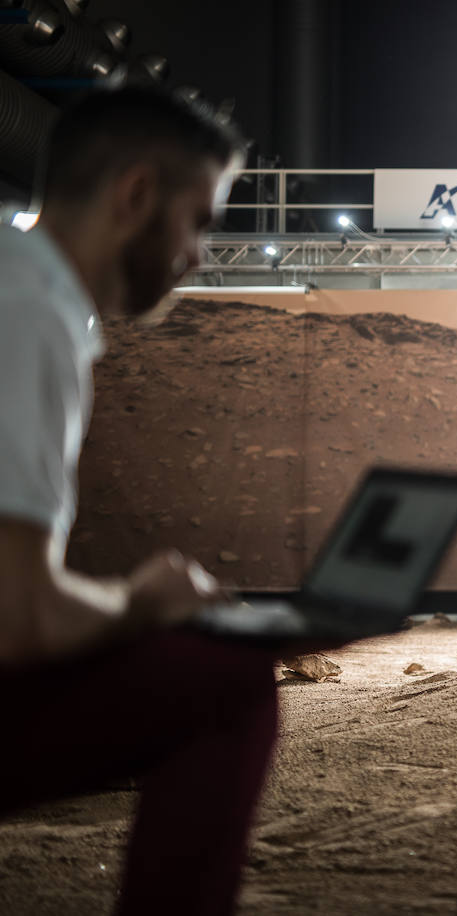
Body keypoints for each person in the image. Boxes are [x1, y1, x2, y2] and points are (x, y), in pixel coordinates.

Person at [0, 87, 278, 915]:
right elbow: (18, 619)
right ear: (134, 196)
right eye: (199, 221)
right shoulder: (30, 314)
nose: (198, 255)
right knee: (224, 684)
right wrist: (142, 601)